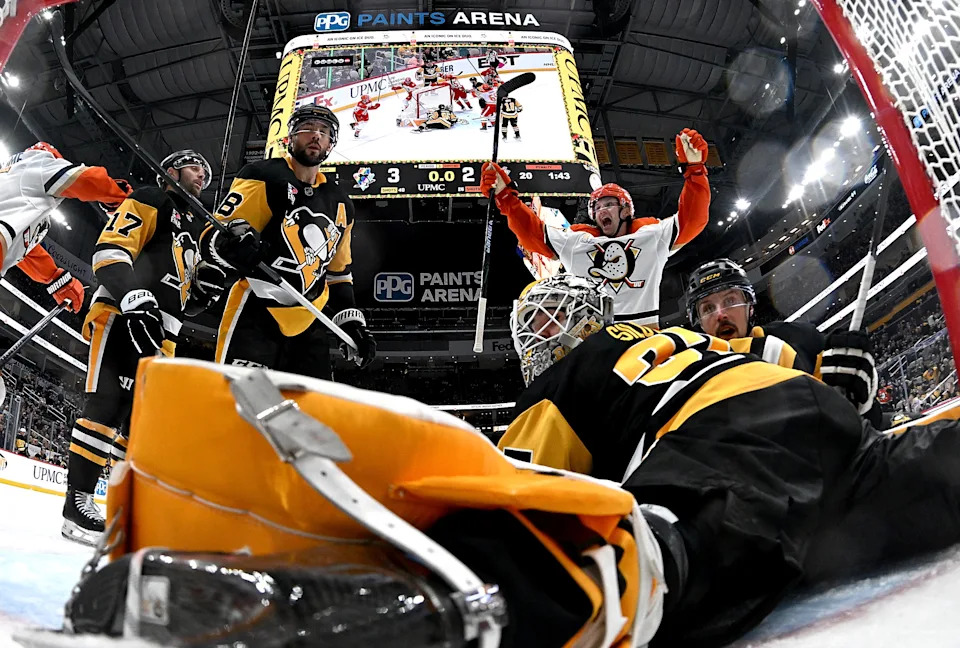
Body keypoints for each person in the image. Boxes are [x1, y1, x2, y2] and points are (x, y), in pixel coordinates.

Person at [496, 273, 960, 646]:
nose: (541, 332)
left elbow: (517, 493)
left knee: (644, 559)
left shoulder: (556, 384)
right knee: (917, 477)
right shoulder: (669, 336)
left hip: (721, 437)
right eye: (535, 321)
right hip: (805, 414)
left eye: (551, 317)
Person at [62, 149, 223, 546]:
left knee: (140, 426)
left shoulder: (192, 228)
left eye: (205, 172)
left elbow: (181, 296)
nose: (202, 175)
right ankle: (76, 505)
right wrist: (134, 296)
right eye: (194, 166)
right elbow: (109, 252)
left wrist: (203, 292)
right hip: (124, 315)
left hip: (163, 333)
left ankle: (124, 508)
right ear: (170, 171)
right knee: (107, 407)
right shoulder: (152, 198)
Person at [203, 104, 376, 379]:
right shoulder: (263, 174)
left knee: (311, 406)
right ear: (290, 137)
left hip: (310, 319)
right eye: (307, 128)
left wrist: (351, 322)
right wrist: (233, 244)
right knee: (240, 399)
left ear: (331, 143)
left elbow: (338, 274)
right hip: (258, 306)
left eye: (324, 131)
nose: (316, 135)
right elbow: (212, 236)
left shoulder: (341, 203)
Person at [480, 129, 710, 327]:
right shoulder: (577, 242)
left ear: (626, 210)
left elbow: (693, 219)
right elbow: (533, 234)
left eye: (608, 204)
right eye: (597, 208)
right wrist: (506, 198)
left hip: (644, 334)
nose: (601, 211)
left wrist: (695, 170)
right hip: (594, 337)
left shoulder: (651, 235)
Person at [685, 257, 881, 422]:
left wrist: (862, 398)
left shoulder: (800, 339)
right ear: (699, 324)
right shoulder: (694, 381)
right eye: (708, 308)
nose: (720, 314)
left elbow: (863, 422)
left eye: (730, 300)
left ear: (749, 306)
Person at [0, 142, 130, 315]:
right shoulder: (37, 163)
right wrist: (123, 198)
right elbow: (85, 179)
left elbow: (22, 248)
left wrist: (55, 277)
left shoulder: (15, 191)